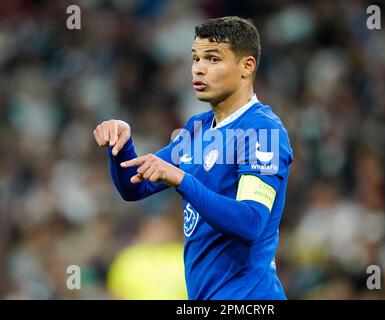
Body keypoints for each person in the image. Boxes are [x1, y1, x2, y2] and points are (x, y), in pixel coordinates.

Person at [93, 16, 294, 300]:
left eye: (213, 59)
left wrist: (182, 179)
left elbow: (250, 222)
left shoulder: (261, 130)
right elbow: (134, 186)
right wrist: (122, 146)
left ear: (247, 66)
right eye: (195, 58)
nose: (199, 69)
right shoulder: (198, 129)